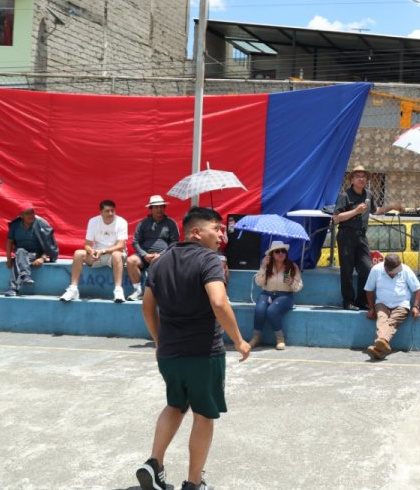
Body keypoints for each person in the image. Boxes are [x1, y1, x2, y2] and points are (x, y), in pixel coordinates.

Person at [137, 206, 250, 490]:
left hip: (169, 353)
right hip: (203, 353)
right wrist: (238, 340)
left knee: (175, 404)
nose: (221, 235)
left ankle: (154, 463)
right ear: (196, 232)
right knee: (203, 415)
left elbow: (147, 306)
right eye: (216, 228)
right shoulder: (209, 259)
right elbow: (219, 302)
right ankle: (194, 483)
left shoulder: (160, 262)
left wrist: (158, 339)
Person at [332, 165, 403, 311]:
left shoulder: (368, 194)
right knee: (347, 271)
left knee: (367, 269)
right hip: (346, 236)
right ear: (351, 179)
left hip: (361, 237)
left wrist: (392, 206)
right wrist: (355, 211)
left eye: (363, 176)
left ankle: (361, 300)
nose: (361, 179)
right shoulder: (344, 196)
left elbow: (376, 211)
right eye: (357, 176)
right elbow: (336, 218)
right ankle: (348, 302)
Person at [60, 199, 128, 304]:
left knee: (116, 254)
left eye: (112, 210)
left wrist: (103, 251)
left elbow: (120, 245)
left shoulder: (121, 221)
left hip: (114, 257)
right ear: (101, 212)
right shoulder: (93, 221)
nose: (110, 213)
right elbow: (87, 245)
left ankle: (118, 290)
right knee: (78, 253)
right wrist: (91, 252)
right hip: (97, 255)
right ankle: (73, 289)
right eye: (107, 211)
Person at [364, 253, 420, 360]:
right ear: (386, 267)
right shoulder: (376, 270)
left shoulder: (406, 270)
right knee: (382, 318)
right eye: (393, 271)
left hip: (401, 304)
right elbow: (369, 290)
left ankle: (380, 344)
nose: (396, 273)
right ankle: (381, 347)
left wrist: (415, 306)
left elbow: (417, 289)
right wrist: (371, 308)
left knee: (393, 321)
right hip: (382, 303)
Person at [126, 195, 180, 302]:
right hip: (145, 256)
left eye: (161, 207)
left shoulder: (171, 223)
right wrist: (144, 254)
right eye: (156, 207)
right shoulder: (143, 223)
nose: (159, 209)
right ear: (150, 209)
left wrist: (161, 255)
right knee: (130, 260)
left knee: (163, 262)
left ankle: (163, 293)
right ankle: (137, 291)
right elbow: (135, 241)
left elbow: (175, 242)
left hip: (164, 255)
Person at [251, 241, 303, 351]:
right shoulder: (267, 266)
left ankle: (280, 339)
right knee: (260, 309)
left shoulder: (292, 266)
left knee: (272, 311)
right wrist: (263, 267)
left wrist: (291, 282)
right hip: (267, 293)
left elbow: (298, 287)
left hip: (285, 295)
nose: (280, 253)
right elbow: (259, 283)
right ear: (272, 254)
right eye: (277, 251)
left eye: (283, 251)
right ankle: (256, 338)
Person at [3, 206, 58, 297]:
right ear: (21, 216)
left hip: (36, 254)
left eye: (32, 213)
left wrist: (42, 258)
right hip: (21, 253)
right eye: (27, 213)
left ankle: (13, 288)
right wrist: (8, 258)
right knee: (20, 252)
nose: (31, 215)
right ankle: (24, 275)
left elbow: (48, 245)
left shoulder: (41, 224)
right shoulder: (15, 225)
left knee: (18, 259)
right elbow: (9, 241)